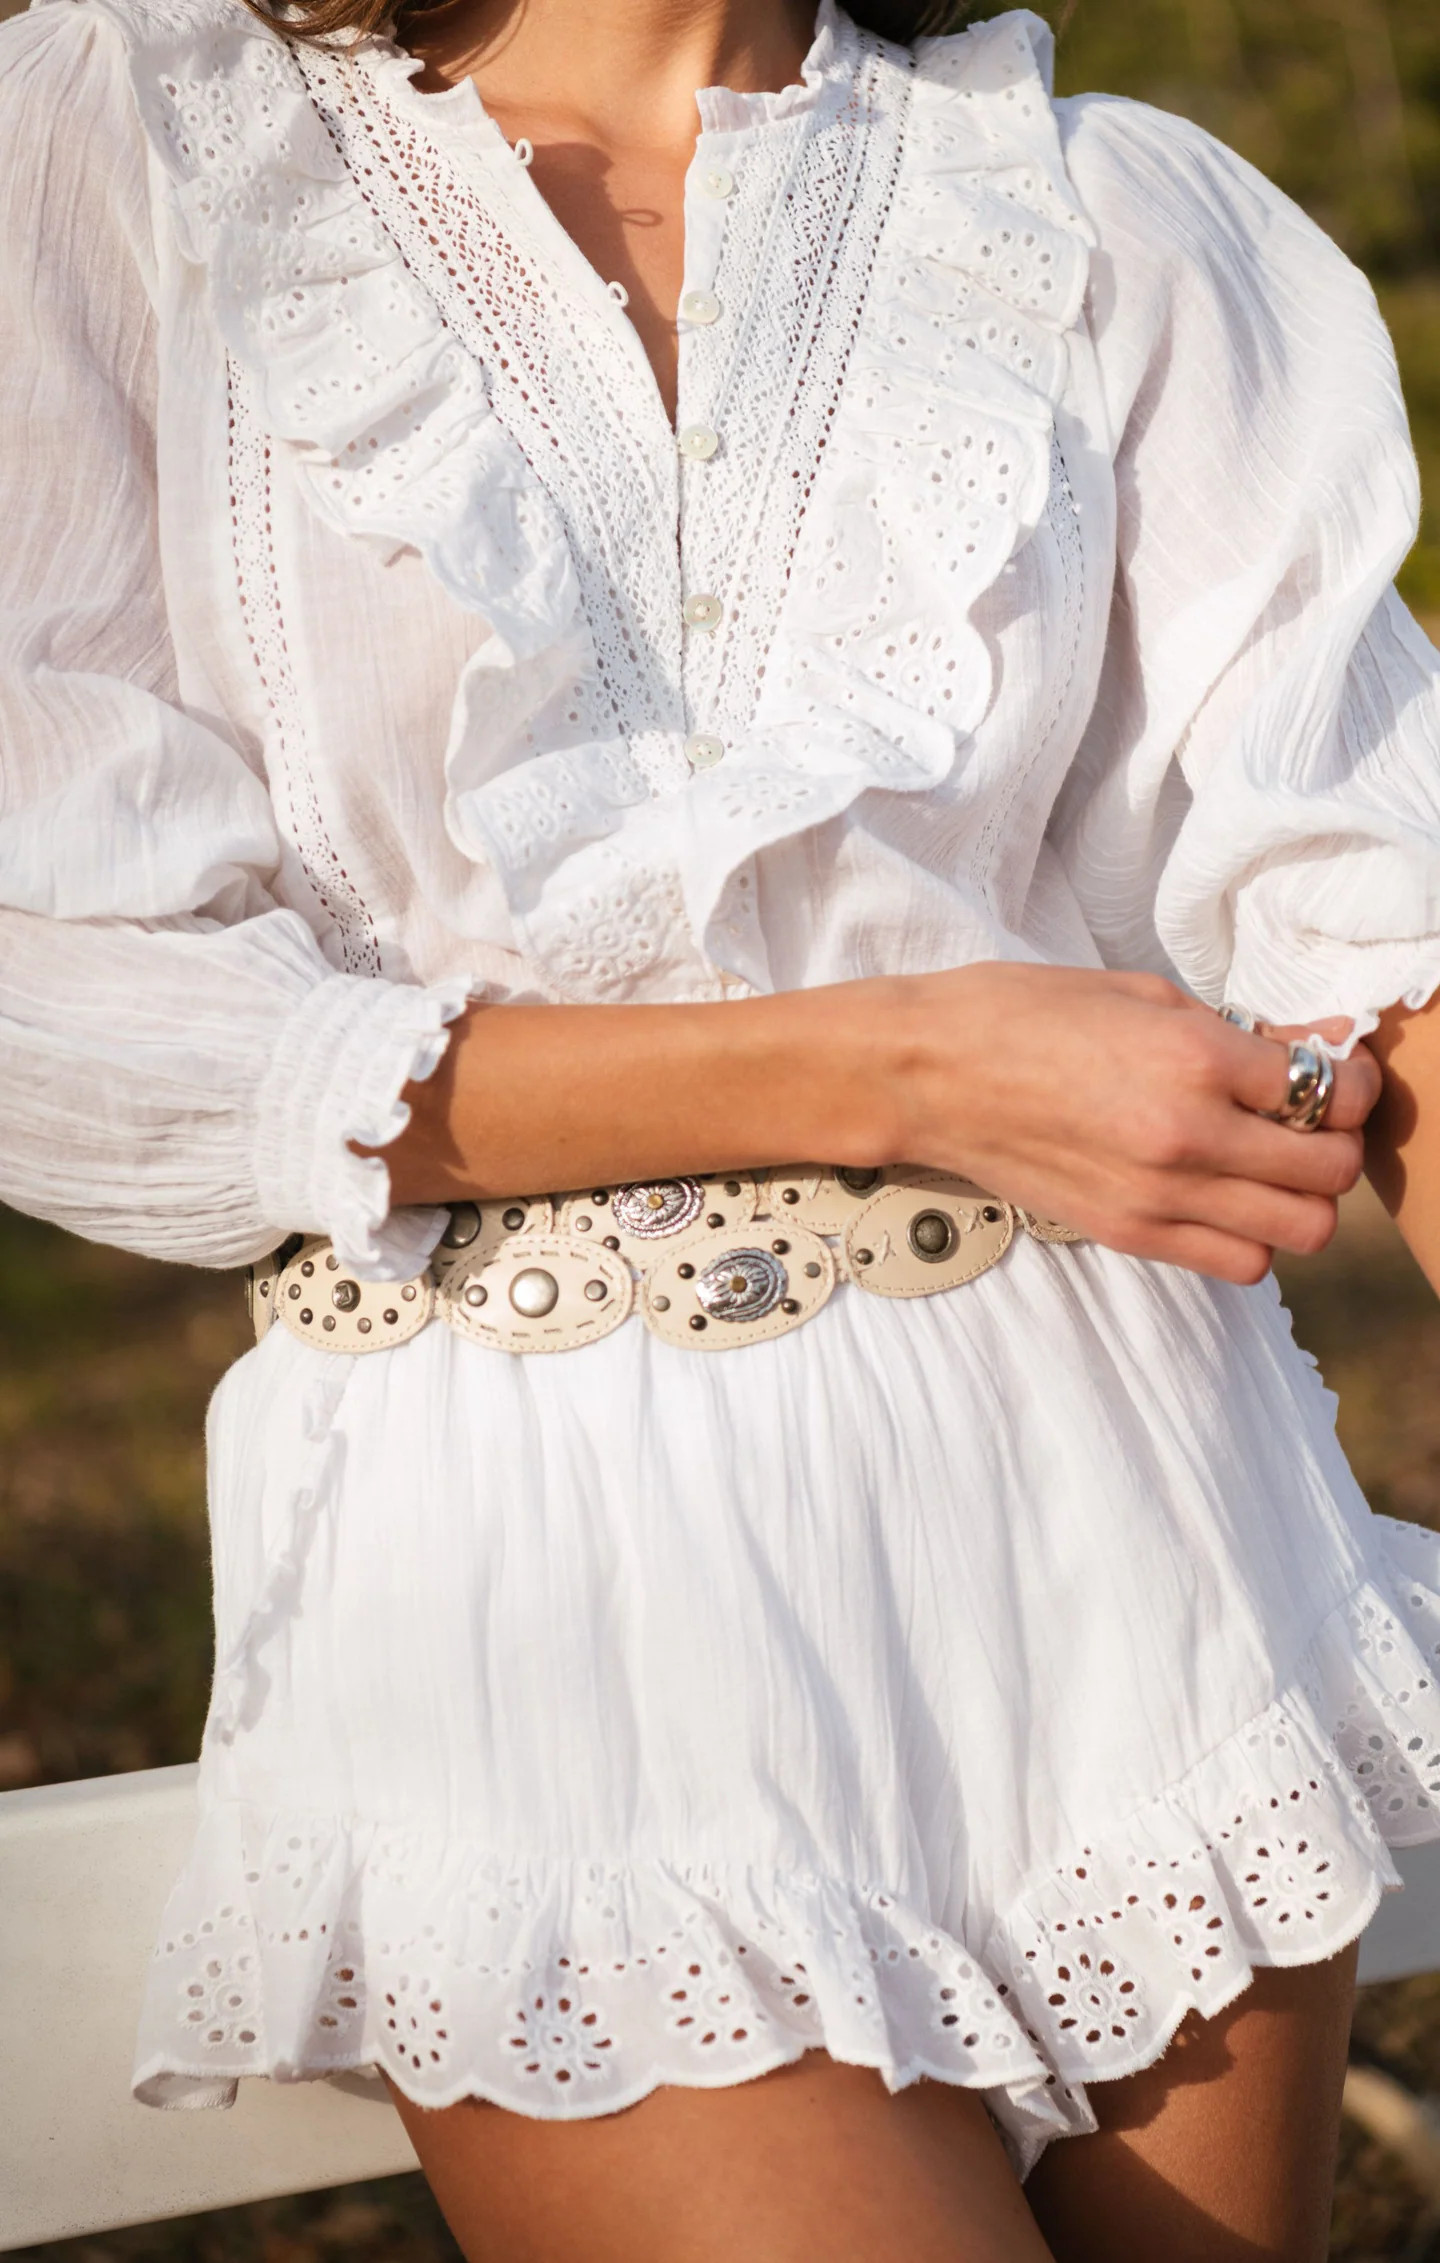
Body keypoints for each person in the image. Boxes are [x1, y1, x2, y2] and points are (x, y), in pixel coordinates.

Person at [2, 0, 1440, 2247]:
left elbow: (1382, 905)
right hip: (548, 1596)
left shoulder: (1111, 206)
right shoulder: (127, 142)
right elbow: (74, 1012)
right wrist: (907, 1060)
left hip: (1148, 1531)